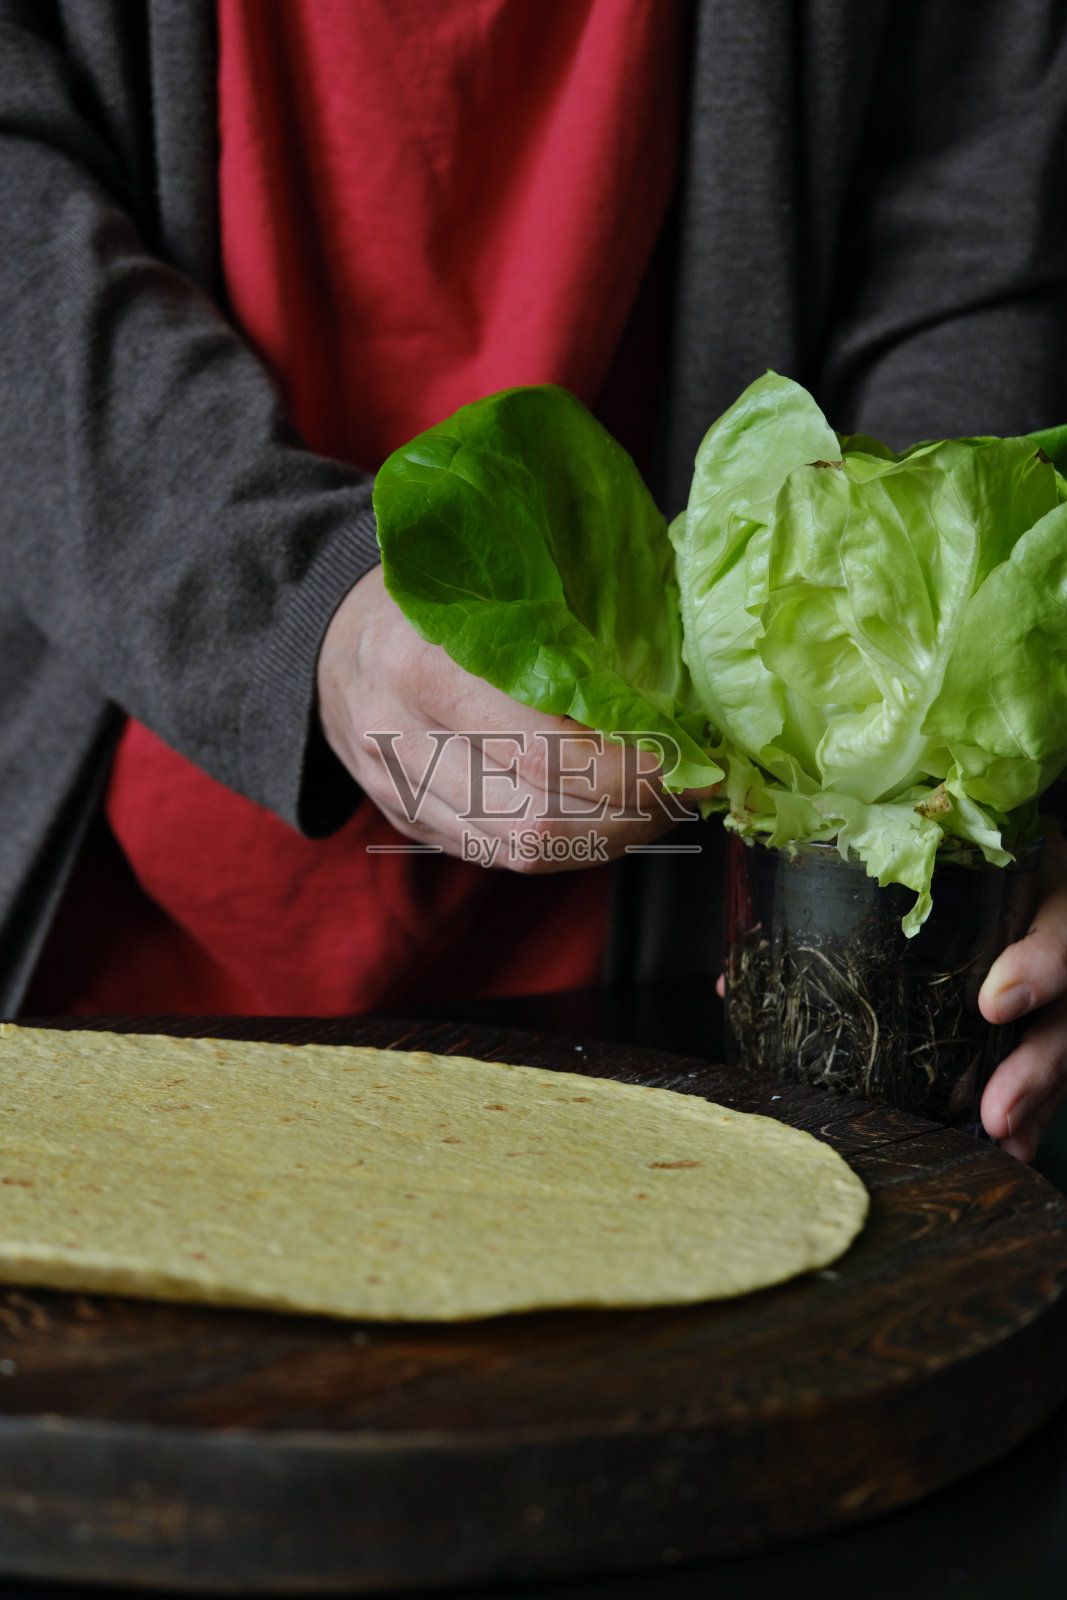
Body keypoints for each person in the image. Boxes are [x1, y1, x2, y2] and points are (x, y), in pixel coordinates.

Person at [1, 0, 1066, 1163]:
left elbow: (967, 201)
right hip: (104, 955)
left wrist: (976, 753)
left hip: (678, 1020)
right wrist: (289, 594)